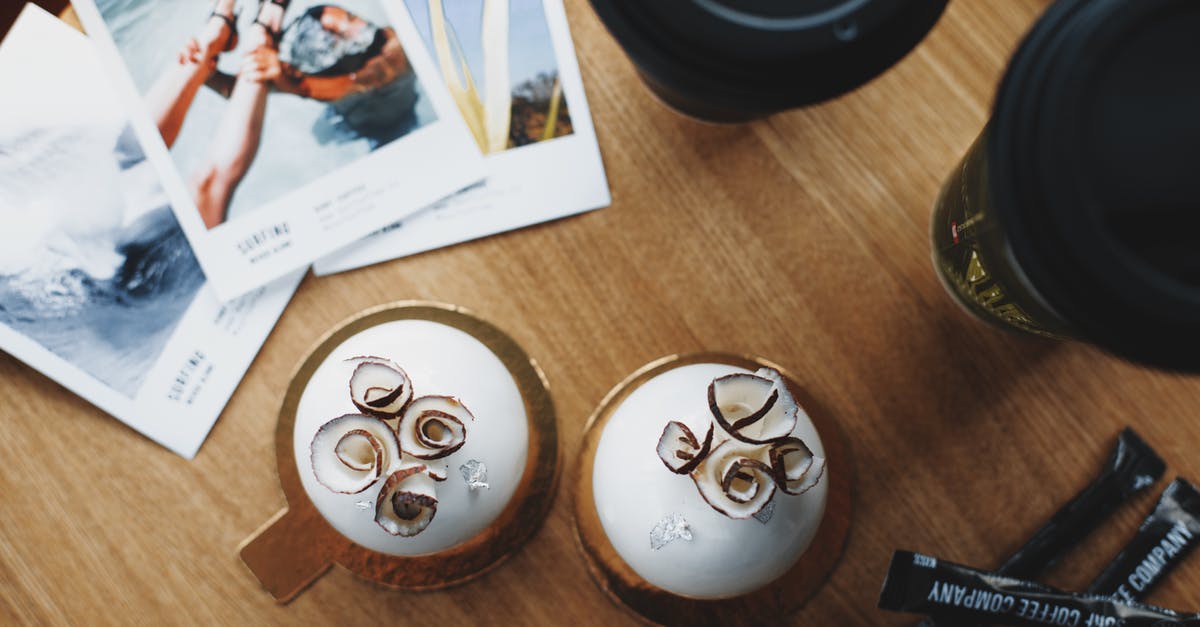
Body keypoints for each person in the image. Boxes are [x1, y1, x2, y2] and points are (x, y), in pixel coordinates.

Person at [144, 1, 419, 229]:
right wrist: (201, 66)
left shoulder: (392, 46)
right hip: (346, 116)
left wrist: (295, 81)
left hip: (393, 124)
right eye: (338, 36)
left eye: (348, 18)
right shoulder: (311, 73)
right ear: (322, 65)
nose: (357, 27)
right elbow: (234, 88)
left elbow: (362, 82)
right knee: (321, 136)